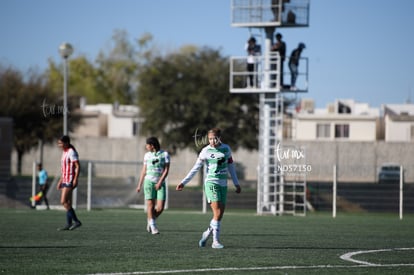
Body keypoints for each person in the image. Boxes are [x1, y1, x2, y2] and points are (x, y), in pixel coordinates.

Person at [176, 128, 241, 249]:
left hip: (223, 184)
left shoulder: (226, 149)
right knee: (216, 212)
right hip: (211, 183)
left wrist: (236, 183)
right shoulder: (205, 151)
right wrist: (183, 182)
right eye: (210, 138)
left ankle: (207, 233)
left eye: (214, 138)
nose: (212, 141)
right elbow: (195, 168)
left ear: (219, 137)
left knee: (220, 214)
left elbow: (231, 166)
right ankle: (215, 242)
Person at [136, 137, 170, 235]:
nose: (146, 147)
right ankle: (153, 226)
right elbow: (144, 171)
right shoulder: (147, 155)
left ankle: (150, 220)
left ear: (152, 145)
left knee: (160, 207)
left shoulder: (165, 154)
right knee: (150, 205)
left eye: (147, 145)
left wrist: (160, 182)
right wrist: (139, 185)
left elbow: (166, 170)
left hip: (160, 183)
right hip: (148, 182)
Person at [57, 135, 82, 231]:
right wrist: (60, 180)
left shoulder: (71, 152)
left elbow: (77, 166)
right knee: (68, 202)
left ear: (66, 143)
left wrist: (76, 179)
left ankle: (77, 221)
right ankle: (69, 223)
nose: (59, 145)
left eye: (60, 143)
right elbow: (64, 168)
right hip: (65, 179)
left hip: (70, 179)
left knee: (63, 201)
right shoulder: (64, 152)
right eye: (58, 143)